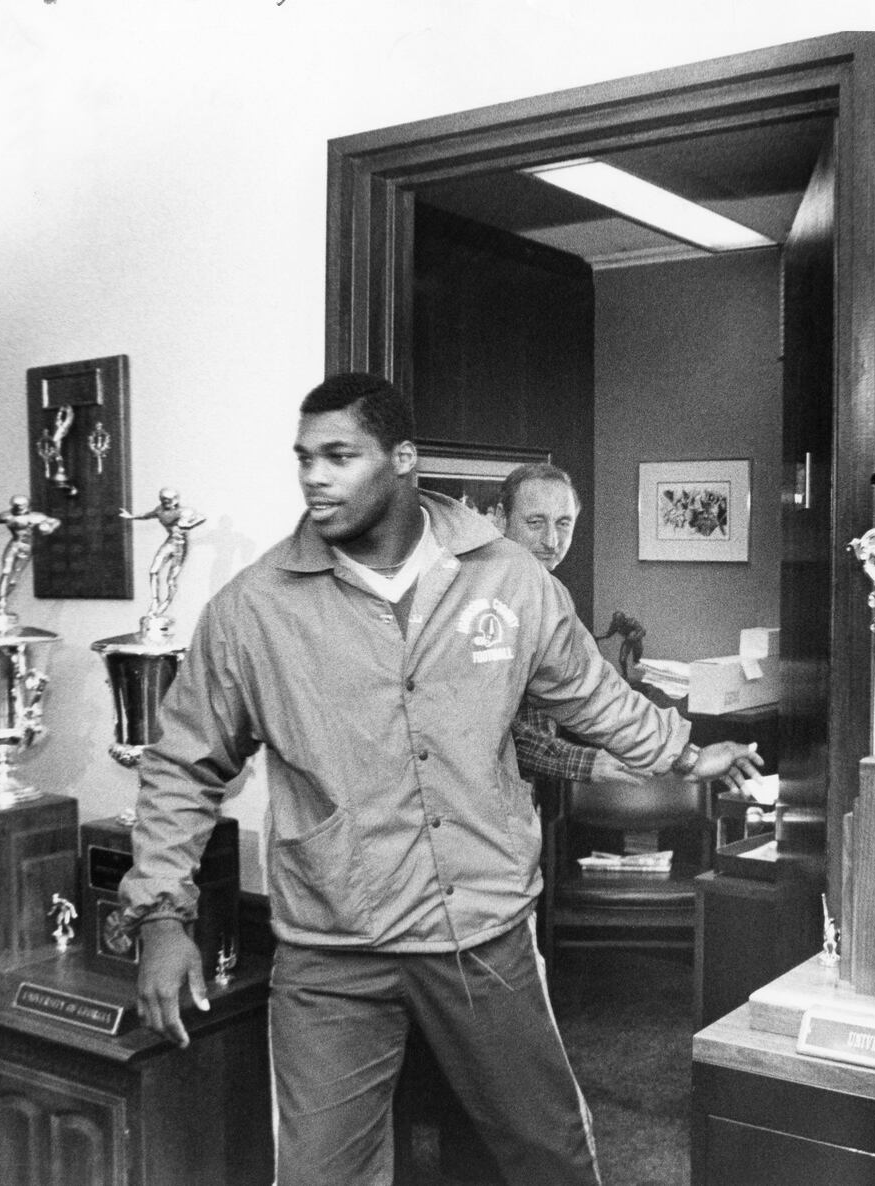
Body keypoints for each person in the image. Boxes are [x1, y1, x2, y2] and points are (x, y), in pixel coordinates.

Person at [119, 372, 762, 1186]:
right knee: (320, 1175)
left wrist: (680, 751)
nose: (315, 475)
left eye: (340, 455)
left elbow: (591, 695)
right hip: (332, 949)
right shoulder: (253, 610)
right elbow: (184, 763)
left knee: (549, 1156)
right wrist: (162, 916)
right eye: (305, 457)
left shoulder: (512, 580)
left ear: (404, 459)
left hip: (480, 932)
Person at [491, 463, 645, 789]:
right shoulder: (482, 601)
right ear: (500, 518)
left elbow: (582, 693)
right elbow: (490, 729)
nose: (551, 540)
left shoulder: (546, 595)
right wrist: (586, 762)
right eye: (535, 523)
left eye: (563, 524)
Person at [120, 488, 206, 622]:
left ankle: (167, 602)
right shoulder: (160, 510)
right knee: (153, 571)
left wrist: (189, 525)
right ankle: (155, 601)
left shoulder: (184, 511)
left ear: (175, 500)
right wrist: (131, 516)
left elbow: (202, 517)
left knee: (171, 580)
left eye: (168, 500)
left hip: (181, 544)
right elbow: (147, 515)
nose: (165, 503)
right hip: (170, 541)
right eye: (163, 500)